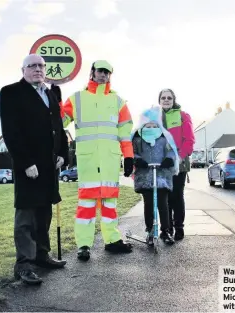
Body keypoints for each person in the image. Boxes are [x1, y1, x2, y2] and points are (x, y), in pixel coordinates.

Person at [0, 53, 69, 285]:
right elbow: (11, 132)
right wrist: (26, 162)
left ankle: (41, 255)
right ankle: (24, 265)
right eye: (32, 66)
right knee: (26, 216)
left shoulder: (50, 94)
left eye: (41, 66)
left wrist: (62, 154)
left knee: (44, 213)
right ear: (23, 70)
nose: (38, 69)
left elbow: (58, 127)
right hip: (29, 166)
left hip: (49, 166)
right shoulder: (10, 92)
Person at [61, 60, 134, 261]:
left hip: (110, 161)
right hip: (88, 162)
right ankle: (83, 245)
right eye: (100, 71)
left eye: (107, 72)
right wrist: (55, 101)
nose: (103, 75)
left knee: (110, 203)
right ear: (92, 72)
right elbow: (59, 121)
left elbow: (125, 134)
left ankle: (112, 241)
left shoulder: (118, 102)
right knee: (86, 204)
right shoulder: (76, 99)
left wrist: (128, 156)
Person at [132, 106, 179, 245]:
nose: (151, 128)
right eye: (148, 125)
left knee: (163, 204)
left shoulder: (164, 137)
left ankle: (166, 231)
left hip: (162, 176)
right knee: (148, 204)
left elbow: (171, 150)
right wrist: (137, 159)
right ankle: (150, 231)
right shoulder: (137, 138)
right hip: (145, 176)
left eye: (154, 125)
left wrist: (169, 158)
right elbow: (132, 151)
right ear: (142, 124)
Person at [159, 88, 195, 241]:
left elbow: (189, 140)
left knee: (176, 196)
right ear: (159, 100)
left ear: (173, 100)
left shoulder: (183, 116)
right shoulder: (155, 117)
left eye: (169, 98)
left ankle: (179, 227)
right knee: (163, 198)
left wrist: (180, 157)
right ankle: (166, 229)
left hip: (179, 163)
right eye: (163, 98)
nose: (166, 100)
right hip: (161, 163)